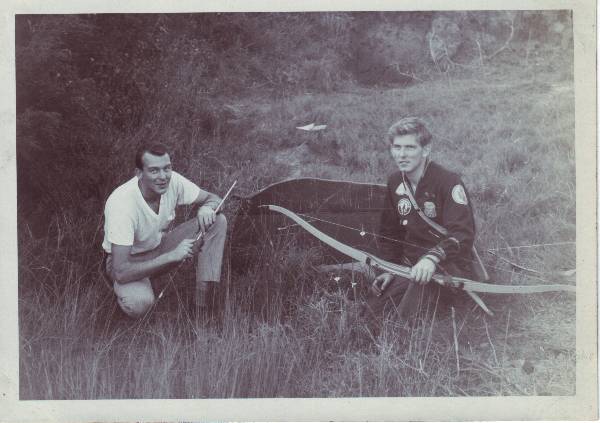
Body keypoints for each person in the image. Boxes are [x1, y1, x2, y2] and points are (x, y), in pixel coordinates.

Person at [365, 117, 478, 325]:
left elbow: (463, 233)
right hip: (411, 267)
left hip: (446, 267)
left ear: (425, 150)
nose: (401, 155)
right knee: (372, 313)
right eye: (396, 147)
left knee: (404, 322)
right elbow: (390, 234)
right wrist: (390, 270)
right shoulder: (395, 182)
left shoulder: (448, 181)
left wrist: (431, 259)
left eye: (409, 147)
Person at [101, 143, 227, 319]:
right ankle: (119, 298)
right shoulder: (122, 204)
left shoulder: (172, 180)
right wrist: (171, 256)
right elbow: (121, 271)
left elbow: (214, 199)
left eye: (167, 168)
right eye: (154, 171)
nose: (163, 177)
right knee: (139, 304)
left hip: (158, 247)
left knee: (217, 220)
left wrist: (206, 208)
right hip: (126, 262)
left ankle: (202, 305)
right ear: (139, 174)